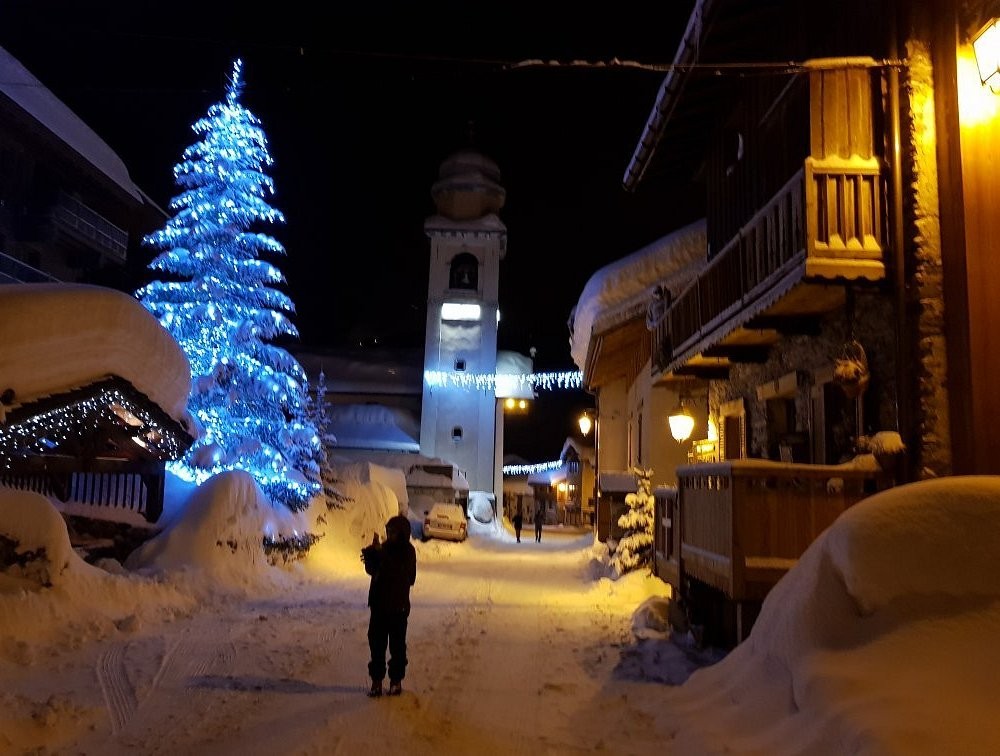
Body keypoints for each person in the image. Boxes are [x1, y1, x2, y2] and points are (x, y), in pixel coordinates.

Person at [361, 514, 416, 697]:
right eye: (388, 531)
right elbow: (373, 571)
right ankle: (376, 682)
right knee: (376, 646)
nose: (388, 534)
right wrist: (371, 557)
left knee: (397, 647)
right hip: (378, 607)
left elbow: (407, 576)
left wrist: (381, 556)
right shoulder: (384, 549)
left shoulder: (407, 552)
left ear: (402, 533)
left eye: (392, 532)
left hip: (398, 608)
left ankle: (396, 681)